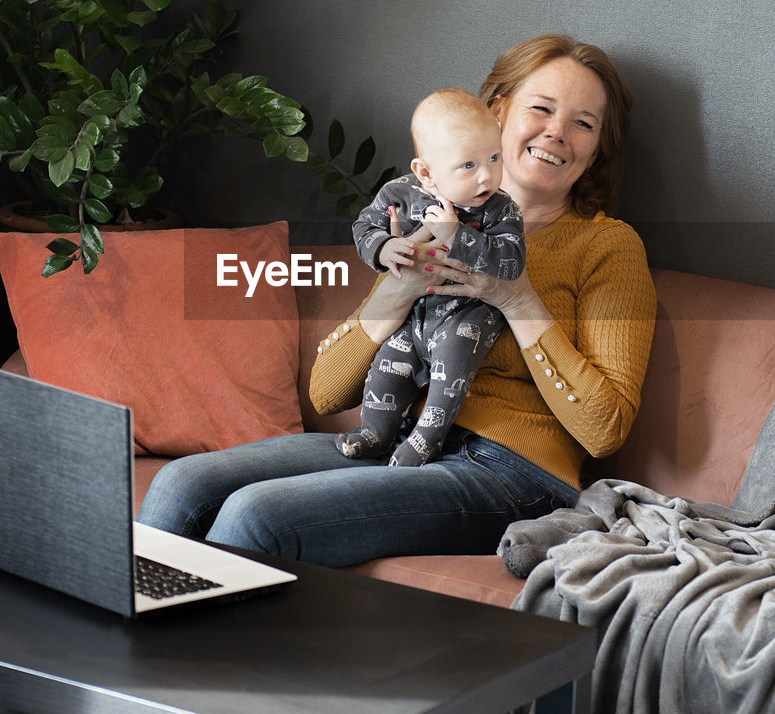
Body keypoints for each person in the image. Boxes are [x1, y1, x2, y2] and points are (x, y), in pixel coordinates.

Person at [137, 34, 657, 568]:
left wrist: (516, 299)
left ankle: (181, 649)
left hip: (513, 472)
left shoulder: (605, 245)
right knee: (183, 483)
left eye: (583, 123)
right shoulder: (420, 217)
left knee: (256, 516)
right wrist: (401, 285)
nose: (556, 132)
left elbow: (605, 429)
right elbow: (327, 392)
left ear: (596, 152)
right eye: (541, 109)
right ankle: (127, 645)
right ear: (495, 113)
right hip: (396, 437)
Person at [340, 88, 525, 467]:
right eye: (468, 166)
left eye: (494, 157)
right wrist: (382, 247)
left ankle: (426, 439)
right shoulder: (400, 194)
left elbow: (511, 263)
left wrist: (457, 236)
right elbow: (365, 225)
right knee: (388, 363)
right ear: (425, 171)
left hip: (467, 314)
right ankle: (375, 432)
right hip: (414, 314)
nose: (486, 175)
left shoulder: (501, 208)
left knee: (452, 368)